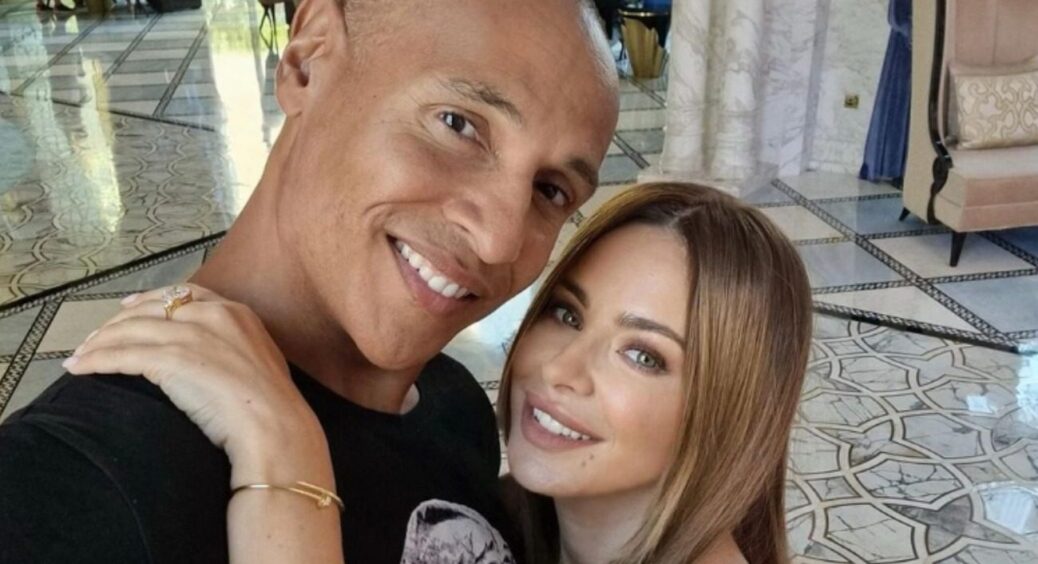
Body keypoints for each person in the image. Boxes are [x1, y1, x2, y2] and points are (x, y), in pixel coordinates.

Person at [0, 0, 618, 561]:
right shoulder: (76, 483)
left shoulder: (452, 404)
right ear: (306, 61)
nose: (499, 241)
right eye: (458, 124)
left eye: (549, 190)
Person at [63, 183, 813, 563]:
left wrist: (283, 456)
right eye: (567, 314)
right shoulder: (510, 510)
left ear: (731, 413)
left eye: (644, 355)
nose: (561, 370)